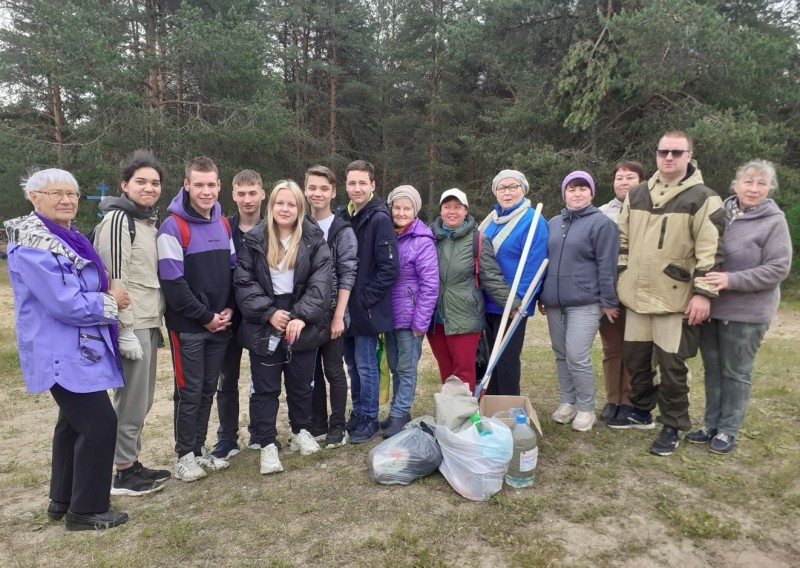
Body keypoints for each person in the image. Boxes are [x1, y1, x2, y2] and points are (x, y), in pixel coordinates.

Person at [5, 169, 129, 530]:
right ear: (34, 198)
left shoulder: (65, 236)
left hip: (78, 349)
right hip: (62, 351)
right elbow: (65, 304)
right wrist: (110, 300)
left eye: (72, 193)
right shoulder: (34, 244)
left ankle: (63, 501)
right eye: (56, 193)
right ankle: (86, 510)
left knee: (72, 425)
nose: (66, 200)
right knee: (99, 425)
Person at [608, 131, 726, 458]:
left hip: (675, 300)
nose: (669, 157)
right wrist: (622, 277)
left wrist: (703, 294)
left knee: (673, 368)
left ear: (689, 154)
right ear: (656, 154)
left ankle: (672, 424)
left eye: (676, 152)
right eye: (663, 152)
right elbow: (622, 241)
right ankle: (643, 409)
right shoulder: (637, 194)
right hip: (637, 297)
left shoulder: (704, 198)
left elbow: (712, 253)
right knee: (635, 361)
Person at [686, 160, 792, 454]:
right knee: (713, 369)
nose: (754, 189)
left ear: (769, 188)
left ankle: (728, 429)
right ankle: (710, 424)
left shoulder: (774, 221)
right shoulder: (719, 214)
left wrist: (731, 279)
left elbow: (778, 268)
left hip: (747, 313)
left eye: (761, 184)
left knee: (736, 372)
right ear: (736, 185)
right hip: (713, 308)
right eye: (748, 182)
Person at [234, 180, 332, 474]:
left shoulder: (314, 240)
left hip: (301, 318)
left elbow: (322, 283)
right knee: (265, 387)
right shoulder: (254, 240)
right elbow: (243, 282)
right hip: (265, 319)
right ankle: (266, 443)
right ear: (271, 206)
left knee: (301, 384)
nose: (285, 209)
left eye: (291, 204)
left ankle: (301, 430)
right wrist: (268, 313)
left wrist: (301, 315)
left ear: (300, 208)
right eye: (280, 203)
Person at [93, 150, 170, 495]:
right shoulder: (119, 221)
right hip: (132, 322)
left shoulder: (143, 222)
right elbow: (114, 277)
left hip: (148, 319)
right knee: (131, 399)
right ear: (125, 184)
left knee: (141, 399)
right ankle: (123, 471)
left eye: (154, 183)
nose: (149, 188)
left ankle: (130, 462)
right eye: (141, 181)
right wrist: (123, 330)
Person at [157, 156, 235, 481]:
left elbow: (233, 272)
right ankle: (183, 455)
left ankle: (200, 451)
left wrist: (229, 308)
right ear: (186, 185)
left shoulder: (224, 223)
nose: (205, 191)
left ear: (219, 185)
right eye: (198, 184)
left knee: (206, 390)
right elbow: (173, 285)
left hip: (220, 326)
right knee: (188, 392)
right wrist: (205, 317)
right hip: (189, 328)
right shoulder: (173, 228)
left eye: (211, 184)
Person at [538, 171, 620, 432]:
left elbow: (607, 266)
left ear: (592, 193)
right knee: (561, 354)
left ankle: (586, 408)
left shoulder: (602, 224)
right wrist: (543, 293)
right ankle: (567, 402)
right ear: (564, 193)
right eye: (572, 189)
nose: (577, 193)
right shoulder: (553, 223)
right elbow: (544, 261)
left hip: (585, 301)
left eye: (583, 189)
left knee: (577, 355)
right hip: (554, 302)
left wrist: (608, 300)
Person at [428, 189, 519, 394]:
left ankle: (467, 416)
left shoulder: (477, 240)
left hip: (465, 316)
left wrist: (511, 304)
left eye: (457, 207)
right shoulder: (430, 237)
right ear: (441, 210)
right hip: (435, 318)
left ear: (465, 210)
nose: (452, 212)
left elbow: (491, 276)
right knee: (445, 370)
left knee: (463, 372)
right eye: (447, 207)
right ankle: (451, 412)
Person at [338, 160, 399, 444]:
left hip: (366, 308)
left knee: (366, 365)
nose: (357, 188)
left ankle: (370, 418)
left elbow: (389, 268)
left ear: (373, 185)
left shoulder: (379, 218)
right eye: (352, 183)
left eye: (363, 183)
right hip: (345, 306)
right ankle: (359, 411)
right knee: (351, 364)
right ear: (346, 185)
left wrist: (364, 299)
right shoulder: (345, 215)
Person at [211, 169, 266, 459]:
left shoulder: (273, 227)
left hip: (261, 316)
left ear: (262, 193)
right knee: (227, 378)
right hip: (229, 314)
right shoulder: (221, 228)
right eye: (241, 193)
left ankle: (260, 431)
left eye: (252, 192)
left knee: (262, 377)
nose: (247, 199)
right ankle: (227, 437)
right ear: (232, 195)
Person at [478, 169, 548, 395]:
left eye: (513, 187)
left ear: (523, 189)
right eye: (501, 188)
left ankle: (506, 405)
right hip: (486, 299)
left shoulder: (533, 220)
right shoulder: (491, 220)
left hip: (512, 303)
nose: (507, 192)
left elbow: (533, 265)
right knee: (489, 358)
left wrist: (518, 302)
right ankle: (490, 403)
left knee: (506, 358)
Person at [304, 165, 357, 448]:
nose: (317, 193)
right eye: (312, 187)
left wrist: (339, 316)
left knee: (334, 370)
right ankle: (317, 422)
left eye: (324, 188)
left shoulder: (342, 229)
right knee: (311, 371)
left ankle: (338, 424)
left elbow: (348, 273)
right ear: (305, 190)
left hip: (334, 313)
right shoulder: (300, 225)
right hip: (307, 313)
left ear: (333, 192)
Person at [381, 185, 439, 438]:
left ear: (415, 211)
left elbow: (430, 284)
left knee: (406, 367)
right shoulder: (386, 234)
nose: (401, 212)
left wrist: (420, 321)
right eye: (397, 207)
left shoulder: (422, 240)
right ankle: (398, 410)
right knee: (394, 365)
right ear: (391, 208)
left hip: (410, 317)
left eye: (407, 208)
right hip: (388, 315)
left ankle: (400, 412)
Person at [597, 161, 646, 423]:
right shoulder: (601, 214)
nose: (624, 182)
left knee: (634, 350)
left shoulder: (651, 212)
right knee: (612, 348)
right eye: (619, 178)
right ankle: (612, 399)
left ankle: (629, 401)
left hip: (640, 294)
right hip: (609, 295)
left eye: (630, 177)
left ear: (642, 182)